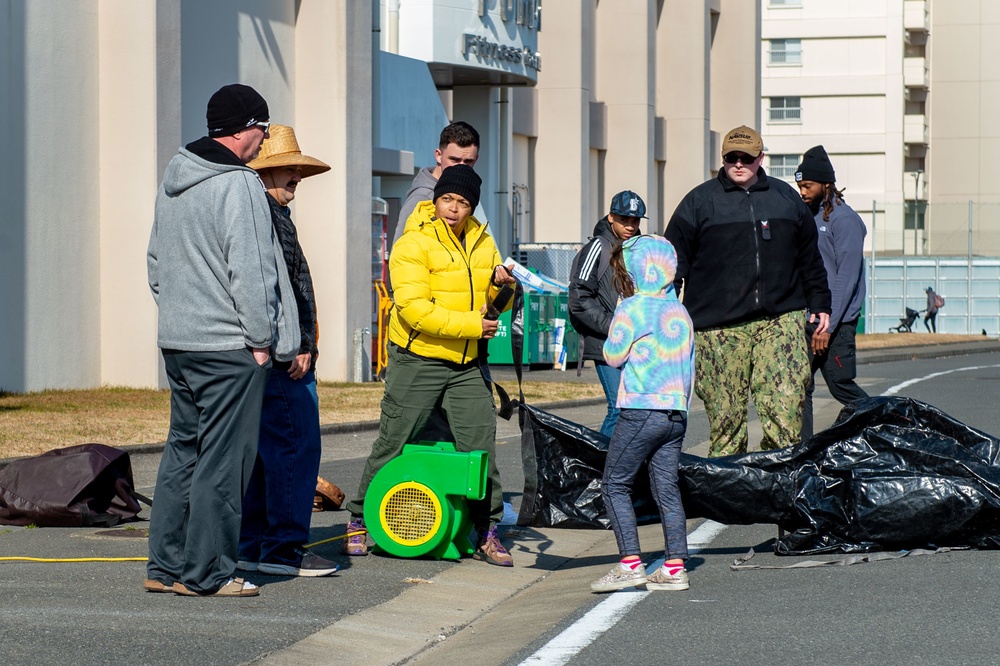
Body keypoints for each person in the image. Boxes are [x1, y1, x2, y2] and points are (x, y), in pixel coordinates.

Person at [145, 84, 300, 597]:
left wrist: (178, 315)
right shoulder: (238, 185)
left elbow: (155, 265)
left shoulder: (175, 180)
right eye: (262, 129)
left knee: (182, 452)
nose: (264, 141)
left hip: (180, 343)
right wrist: (261, 339)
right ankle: (208, 573)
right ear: (244, 129)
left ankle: (164, 569)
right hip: (229, 347)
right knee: (224, 462)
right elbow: (252, 270)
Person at [342, 165, 517, 566]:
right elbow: (415, 310)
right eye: (447, 200)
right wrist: (475, 324)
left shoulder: (483, 241)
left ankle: (487, 530)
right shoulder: (412, 243)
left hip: (466, 363)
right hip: (418, 358)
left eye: (463, 202)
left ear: (473, 207)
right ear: (436, 199)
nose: (454, 209)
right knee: (394, 439)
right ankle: (357, 521)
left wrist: (503, 287)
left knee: (480, 447)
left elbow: (491, 306)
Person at [664, 125, 831, 457]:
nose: (739, 164)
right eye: (731, 158)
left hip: (780, 319)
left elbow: (810, 258)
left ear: (761, 158)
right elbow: (673, 262)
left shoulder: (786, 199)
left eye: (747, 158)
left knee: (785, 413)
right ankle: (728, 498)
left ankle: (778, 491)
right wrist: (667, 311)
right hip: (718, 326)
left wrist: (820, 303)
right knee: (727, 420)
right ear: (723, 159)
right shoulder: (699, 202)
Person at [236, 125, 338, 577]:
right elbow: (275, 289)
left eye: (297, 169)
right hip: (282, 355)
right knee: (294, 448)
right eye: (286, 168)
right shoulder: (266, 216)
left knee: (264, 455)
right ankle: (282, 549)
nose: (296, 175)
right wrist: (295, 345)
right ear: (264, 171)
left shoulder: (270, 213)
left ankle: (254, 543)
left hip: (272, 351)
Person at [590, 235, 695, 593]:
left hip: (640, 409)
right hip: (675, 412)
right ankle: (675, 566)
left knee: (614, 484)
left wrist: (622, 314)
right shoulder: (679, 311)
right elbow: (689, 368)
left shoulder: (632, 308)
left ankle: (630, 563)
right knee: (666, 487)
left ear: (635, 271)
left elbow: (613, 356)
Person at [795, 146, 870, 439]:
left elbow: (845, 279)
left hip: (836, 324)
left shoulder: (845, 220)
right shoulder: (808, 216)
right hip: (812, 318)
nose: (802, 191)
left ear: (826, 184)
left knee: (840, 385)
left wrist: (828, 325)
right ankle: (803, 453)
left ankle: (890, 424)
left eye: (808, 186)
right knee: (801, 384)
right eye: (799, 185)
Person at [568, 190, 646, 437]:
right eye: (625, 220)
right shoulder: (598, 247)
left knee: (636, 410)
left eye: (635, 221)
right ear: (611, 217)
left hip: (634, 343)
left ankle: (621, 468)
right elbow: (578, 298)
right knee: (619, 409)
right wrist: (615, 326)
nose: (631, 226)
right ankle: (599, 466)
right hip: (606, 341)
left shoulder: (639, 249)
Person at [392, 121, 480, 246]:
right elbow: (399, 253)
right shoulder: (422, 197)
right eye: (454, 160)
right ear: (438, 155)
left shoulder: (468, 189)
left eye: (468, 161)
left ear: (476, 159)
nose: (461, 167)